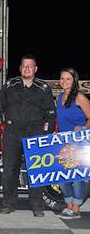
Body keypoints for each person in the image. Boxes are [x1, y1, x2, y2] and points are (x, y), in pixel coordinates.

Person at [0, 53, 56, 217]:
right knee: (9, 170)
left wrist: (45, 133)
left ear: (35, 69)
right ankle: (8, 203)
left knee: (36, 171)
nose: (27, 68)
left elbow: (51, 112)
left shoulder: (43, 88)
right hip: (12, 133)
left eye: (30, 66)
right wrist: (1, 119)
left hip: (35, 134)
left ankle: (37, 206)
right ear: (20, 68)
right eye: (24, 65)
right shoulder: (9, 85)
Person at [56, 67, 90, 219]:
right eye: (62, 78)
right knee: (62, 176)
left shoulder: (80, 98)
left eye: (67, 79)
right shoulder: (59, 98)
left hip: (78, 143)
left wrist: (82, 127)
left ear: (74, 81)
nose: (64, 81)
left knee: (76, 176)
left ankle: (75, 209)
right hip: (63, 143)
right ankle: (69, 205)